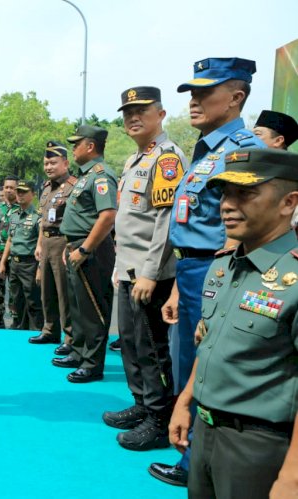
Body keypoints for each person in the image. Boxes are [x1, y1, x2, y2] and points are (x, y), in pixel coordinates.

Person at [149, 57, 265, 487]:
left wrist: (218, 281)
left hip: (220, 272)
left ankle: (198, 462)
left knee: (209, 367)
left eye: (204, 93)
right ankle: (191, 453)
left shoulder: (247, 151)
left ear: (236, 98)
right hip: (192, 269)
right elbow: (192, 227)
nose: (194, 102)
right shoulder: (206, 152)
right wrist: (181, 284)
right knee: (188, 366)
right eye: (192, 93)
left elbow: (246, 228)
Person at [168, 148, 298, 498]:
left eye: (245, 193)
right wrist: (185, 401)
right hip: (206, 430)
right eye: (225, 193)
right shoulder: (223, 266)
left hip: (258, 446)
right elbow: (208, 341)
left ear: (288, 202)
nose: (227, 204)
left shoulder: (295, 277)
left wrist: (293, 476)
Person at [103, 86, 185, 451]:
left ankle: (158, 418)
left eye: (142, 111)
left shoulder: (167, 158)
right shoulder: (135, 159)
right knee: (132, 346)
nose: (133, 118)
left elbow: (166, 223)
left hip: (151, 274)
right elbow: (130, 221)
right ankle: (141, 404)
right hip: (129, 270)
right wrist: (121, 268)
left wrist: (151, 272)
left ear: (161, 114)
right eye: (127, 113)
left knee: (152, 350)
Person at [53, 125, 117, 383]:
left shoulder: (101, 175)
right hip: (76, 247)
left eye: (76, 144)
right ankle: (79, 352)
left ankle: (92, 364)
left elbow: (108, 215)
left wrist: (84, 248)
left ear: (90, 146)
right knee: (78, 307)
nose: (73, 148)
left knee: (92, 309)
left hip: (92, 250)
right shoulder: (85, 176)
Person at [32, 141, 76, 350]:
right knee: (46, 290)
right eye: (46, 163)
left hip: (62, 242)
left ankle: (70, 337)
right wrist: (39, 245)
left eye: (53, 163)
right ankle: (50, 330)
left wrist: (70, 247)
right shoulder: (47, 187)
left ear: (65, 163)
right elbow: (43, 219)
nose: (48, 167)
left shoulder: (73, 186)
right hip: (47, 241)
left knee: (63, 293)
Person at [0, 180, 43, 331]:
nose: (20, 195)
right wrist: (3, 262)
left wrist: (40, 268)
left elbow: (41, 244)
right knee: (16, 299)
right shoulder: (14, 216)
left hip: (29, 263)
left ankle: (36, 329)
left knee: (32, 300)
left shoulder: (38, 217)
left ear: (33, 195)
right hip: (15, 263)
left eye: (24, 192)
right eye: (19, 192)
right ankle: (20, 328)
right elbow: (10, 240)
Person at [0, 175, 19, 329]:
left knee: (15, 290)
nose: (9, 190)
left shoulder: (21, 209)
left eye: (12, 188)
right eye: (6, 187)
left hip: (14, 256)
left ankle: (16, 320)